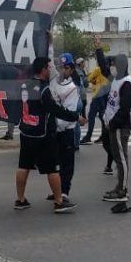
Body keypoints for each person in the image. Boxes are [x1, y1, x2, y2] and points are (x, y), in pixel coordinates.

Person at [13, 56, 85, 213]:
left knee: (23, 166)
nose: (51, 69)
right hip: (43, 133)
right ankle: (59, 202)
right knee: (52, 168)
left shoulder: (25, 85)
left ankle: (20, 199)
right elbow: (56, 109)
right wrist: (76, 117)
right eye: (48, 67)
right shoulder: (44, 89)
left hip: (26, 131)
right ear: (43, 69)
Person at [97, 45, 131, 202]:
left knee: (121, 159)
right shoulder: (116, 79)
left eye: (112, 64)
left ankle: (122, 191)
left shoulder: (126, 83)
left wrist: (112, 124)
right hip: (113, 125)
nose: (110, 67)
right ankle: (120, 187)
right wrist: (98, 49)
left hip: (120, 127)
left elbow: (125, 108)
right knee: (119, 158)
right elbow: (103, 68)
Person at [48, 53, 82, 201]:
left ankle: (64, 192)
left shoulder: (72, 88)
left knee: (67, 164)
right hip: (55, 131)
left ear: (72, 69)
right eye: (61, 67)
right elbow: (49, 60)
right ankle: (57, 190)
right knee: (56, 163)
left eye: (66, 67)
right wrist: (49, 41)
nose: (63, 70)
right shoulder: (54, 81)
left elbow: (70, 113)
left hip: (66, 130)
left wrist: (58, 124)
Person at [81, 57, 111, 144]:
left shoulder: (98, 69)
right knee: (102, 117)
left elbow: (88, 79)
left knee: (91, 116)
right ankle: (104, 135)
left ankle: (88, 136)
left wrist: (92, 79)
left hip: (97, 96)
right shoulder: (108, 71)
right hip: (105, 96)